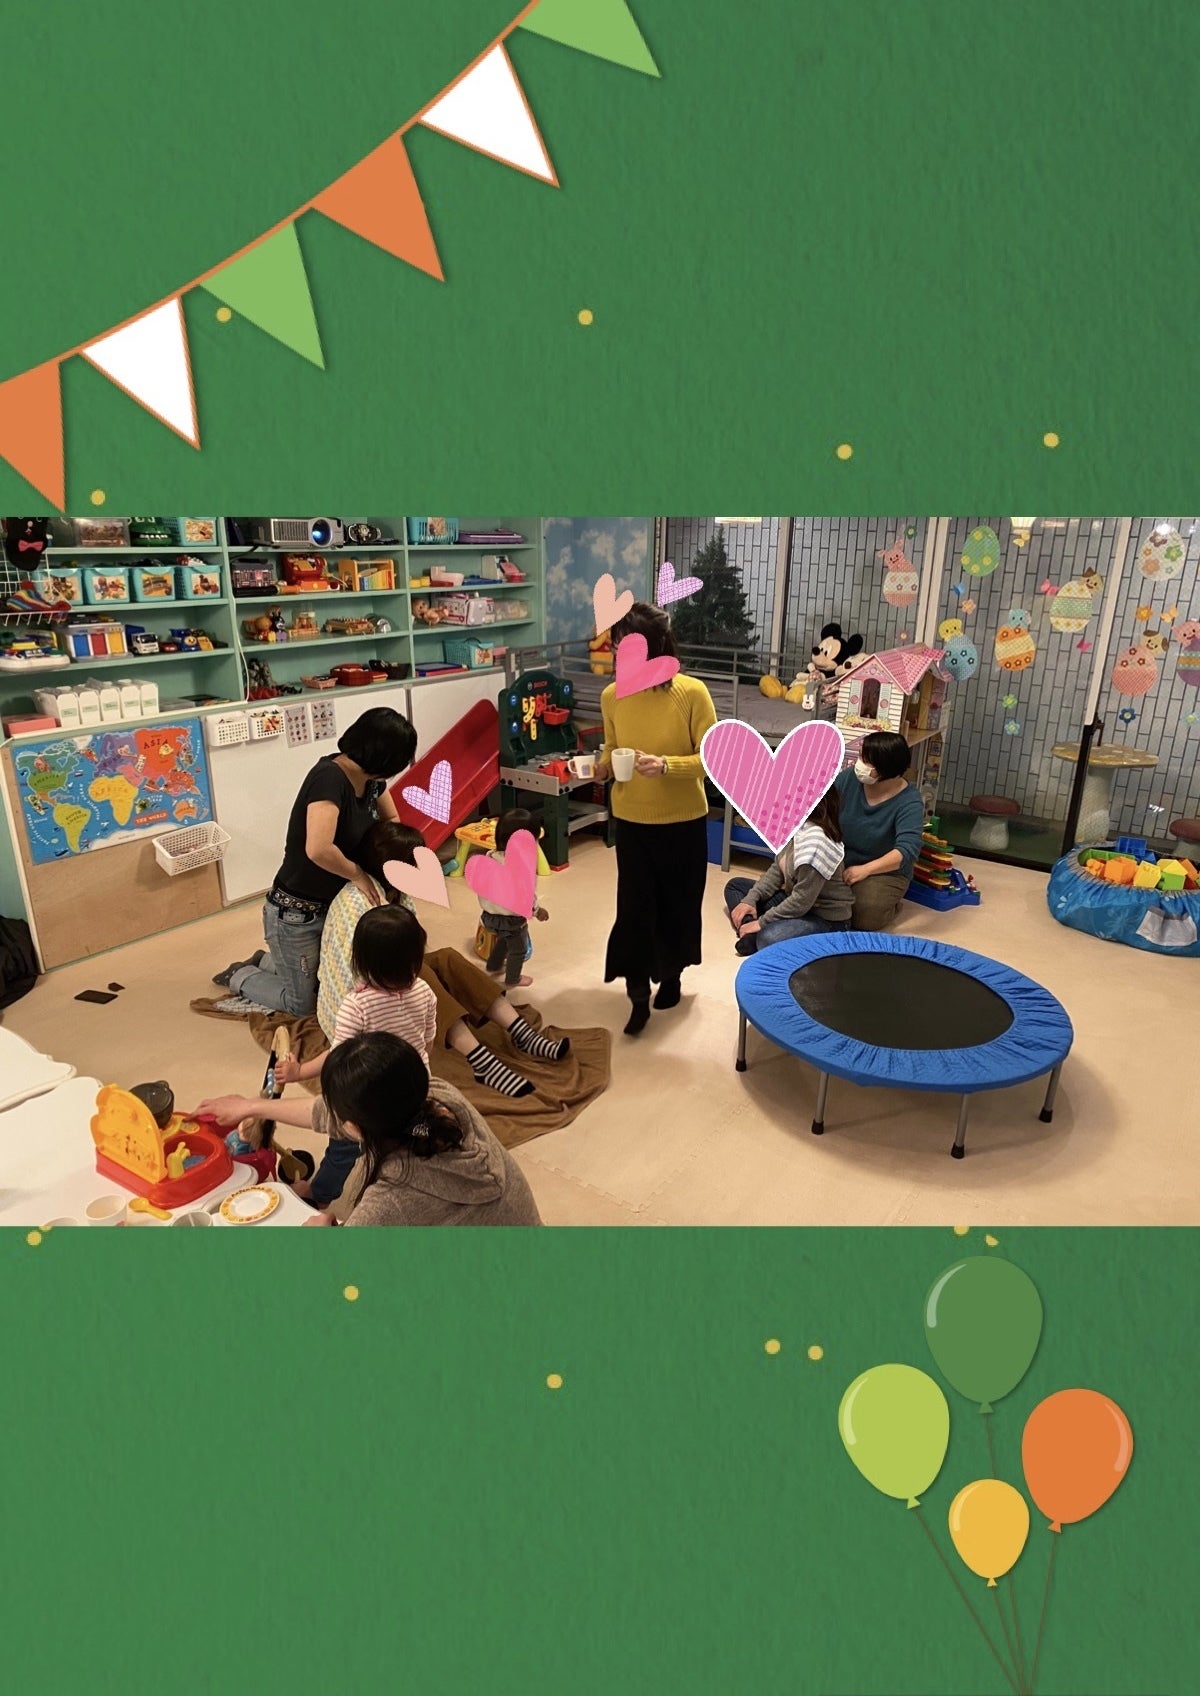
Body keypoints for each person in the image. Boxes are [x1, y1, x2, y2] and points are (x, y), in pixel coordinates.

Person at [311, 818, 569, 1102]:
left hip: (383, 976)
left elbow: (409, 946)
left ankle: (522, 1034)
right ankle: (481, 1061)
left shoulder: (395, 892)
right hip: (357, 1005)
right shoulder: (358, 908)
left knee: (446, 958)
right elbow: (359, 974)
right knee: (421, 977)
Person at [194, 1032, 544, 1227]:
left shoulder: (391, 1200)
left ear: (354, 1128)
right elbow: (326, 1113)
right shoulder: (439, 1095)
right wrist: (251, 1106)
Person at [214, 707, 418, 1016]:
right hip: (296, 914)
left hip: (330, 906)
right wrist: (358, 874)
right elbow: (318, 849)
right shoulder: (329, 778)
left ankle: (270, 962)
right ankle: (241, 976)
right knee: (304, 1006)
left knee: (328, 983)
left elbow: (391, 820)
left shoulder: (371, 781)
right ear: (380, 758)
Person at [595, 602, 718, 1036]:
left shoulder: (692, 693)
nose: (617, 656)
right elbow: (612, 748)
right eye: (616, 648)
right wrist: (601, 767)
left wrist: (668, 766)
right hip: (632, 821)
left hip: (683, 822)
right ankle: (636, 995)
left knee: (677, 905)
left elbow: (713, 759)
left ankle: (672, 976)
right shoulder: (611, 696)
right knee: (634, 909)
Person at [273, 904, 438, 1210]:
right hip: (415, 1091)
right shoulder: (425, 991)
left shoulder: (357, 1005)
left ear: (360, 960)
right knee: (410, 1143)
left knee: (343, 1150)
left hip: (368, 1100)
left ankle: (318, 1195)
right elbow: (427, 1044)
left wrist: (300, 1071)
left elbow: (340, 1056)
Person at [723, 789, 853, 952]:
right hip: (795, 900)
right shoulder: (799, 829)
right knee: (735, 886)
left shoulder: (816, 843)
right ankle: (749, 927)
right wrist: (750, 900)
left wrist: (762, 922)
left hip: (824, 918)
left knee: (768, 938)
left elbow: (801, 902)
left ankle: (753, 931)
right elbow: (777, 870)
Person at [833, 730, 926, 930]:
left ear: (886, 768)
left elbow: (906, 851)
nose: (859, 765)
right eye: (861, 757)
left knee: (866, 914)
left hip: (883, 871)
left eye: (867, 762)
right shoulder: (848, 779)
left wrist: (865, 870)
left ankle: (892, 905)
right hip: (840, 858)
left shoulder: (909, 801)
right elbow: (823, 809)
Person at [476, 808, 550, 988]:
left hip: (488, 916)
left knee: (503, 940)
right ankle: (513, 979)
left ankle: (493, 966)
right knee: (518, 950)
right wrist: (537, 911)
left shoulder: (490, 857)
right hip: (512, 920)